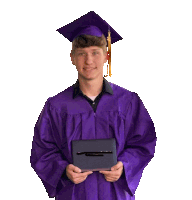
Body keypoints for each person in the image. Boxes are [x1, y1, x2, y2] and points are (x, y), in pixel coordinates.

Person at [30, 11, 156, 200]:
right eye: (82, 54)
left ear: (106, 56)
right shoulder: (56, 106)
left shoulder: (128, 101)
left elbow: (144, 143)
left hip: (115, 194)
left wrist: (125, 165)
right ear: (72, 58)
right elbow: (42, 151)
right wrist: (63, 170)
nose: (89, 61)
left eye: (95, 53)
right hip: (74, 194)